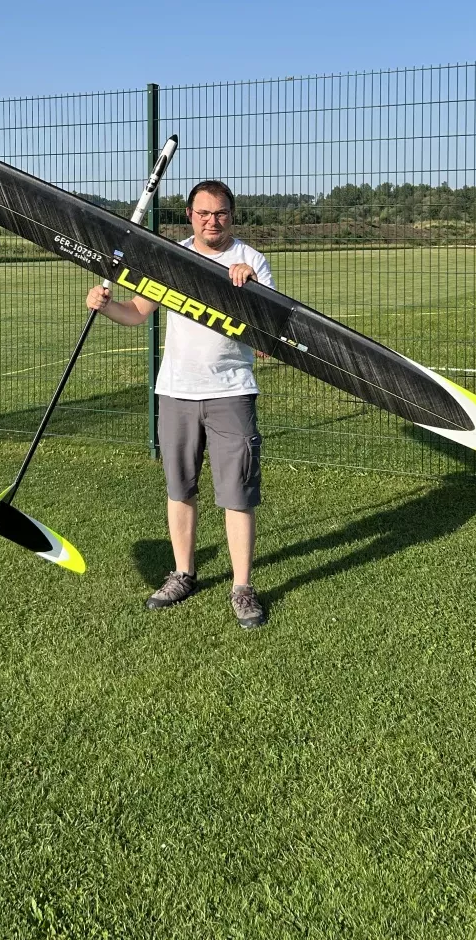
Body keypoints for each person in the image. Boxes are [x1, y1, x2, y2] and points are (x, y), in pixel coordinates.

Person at [86, 180, 274, 629]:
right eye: (204, 213)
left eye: (221, 213)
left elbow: (267, 342)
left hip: (231, 391)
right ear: (189, 215)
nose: (213, 221)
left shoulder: (251, 262)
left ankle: (242, 587)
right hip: (176, 392)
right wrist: (103, 306)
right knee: (179, 489)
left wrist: (249, 294)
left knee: (237, 494)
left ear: (233, 215)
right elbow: (136, 312)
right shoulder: (170, 261)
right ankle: (183, 573)